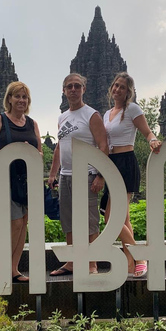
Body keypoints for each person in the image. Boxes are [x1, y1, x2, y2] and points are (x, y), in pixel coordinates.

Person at [48, 73, 108, 276]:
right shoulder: (62, 117)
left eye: (77, 86)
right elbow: (59, 147)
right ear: (64, 91)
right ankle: (72, 262)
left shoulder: (92, 115)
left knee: (89, 220)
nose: (73, 90)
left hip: (87, 174)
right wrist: (53, 173)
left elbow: (103, 145)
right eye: (69, 87)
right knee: (68, 220)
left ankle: (92, 264)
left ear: (83, 89)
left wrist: (100, 174)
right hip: (65, 175)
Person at [102, 72, 161, 277]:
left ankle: (140, 256)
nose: (118, 89)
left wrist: (153, 141)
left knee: (112, 216)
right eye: (116, 85)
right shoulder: (107, 114)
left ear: (128, 92)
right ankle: (130, 263)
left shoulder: (132, 109)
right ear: (112, 87)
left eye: (123, 87)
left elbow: (147, 132)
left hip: (126, 162)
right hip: (110, 164)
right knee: (123, 218)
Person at [0, 81, 42, 283]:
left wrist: (29, 150)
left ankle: (13, 269)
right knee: (15, 223)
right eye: (17, 96)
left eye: (24, 97)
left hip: (27, 181)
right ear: (9, 99)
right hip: (6, 179)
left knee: (24, 223)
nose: (21, 100)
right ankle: (3, 267)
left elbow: (40, 153)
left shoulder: (32, 123)